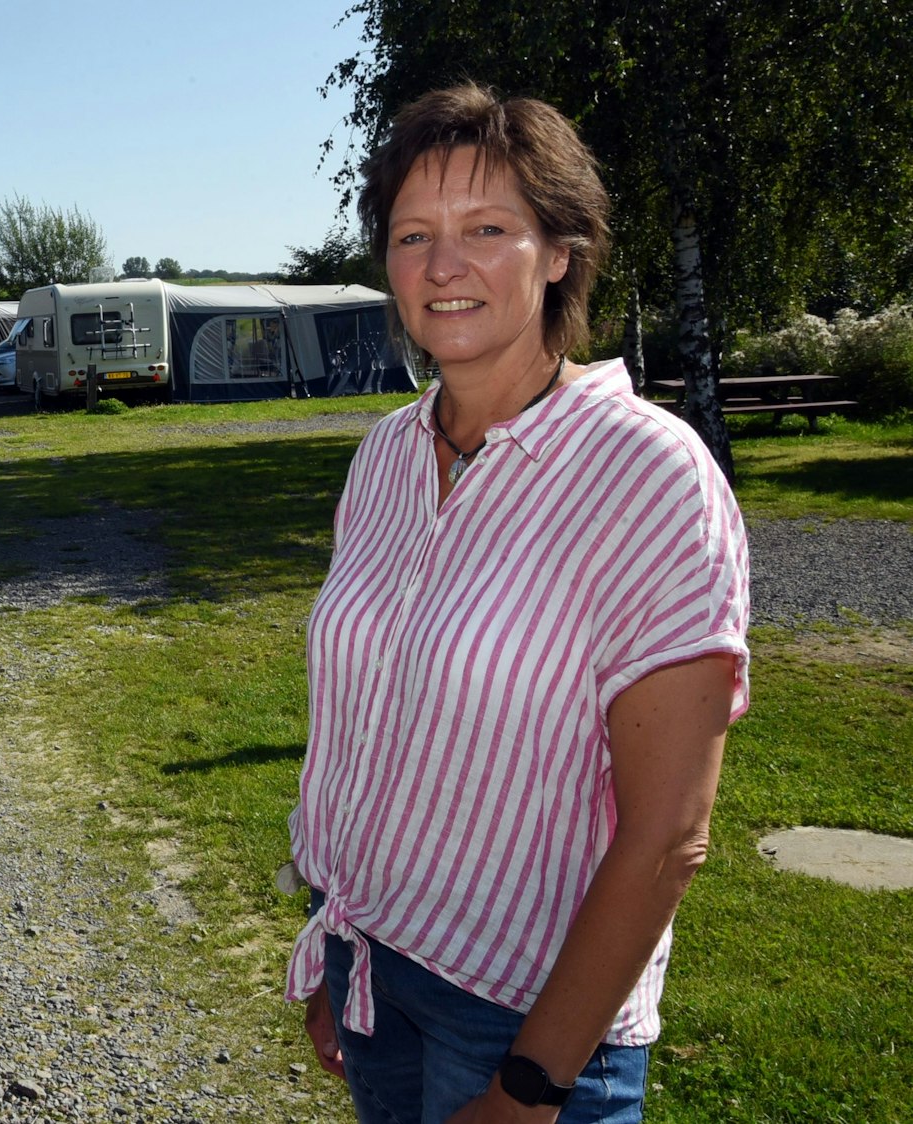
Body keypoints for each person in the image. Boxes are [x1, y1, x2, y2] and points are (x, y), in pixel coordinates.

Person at [283, 84, 750, 1123]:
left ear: (558, 253)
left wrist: (531, 1084)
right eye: (414, 235)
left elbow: (671, 830)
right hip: (373, 970)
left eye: (488, 228)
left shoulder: (647, 473)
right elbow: (364, 722)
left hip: (527, 1021)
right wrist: (335, 941)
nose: (443, 266)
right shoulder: (386, 456)